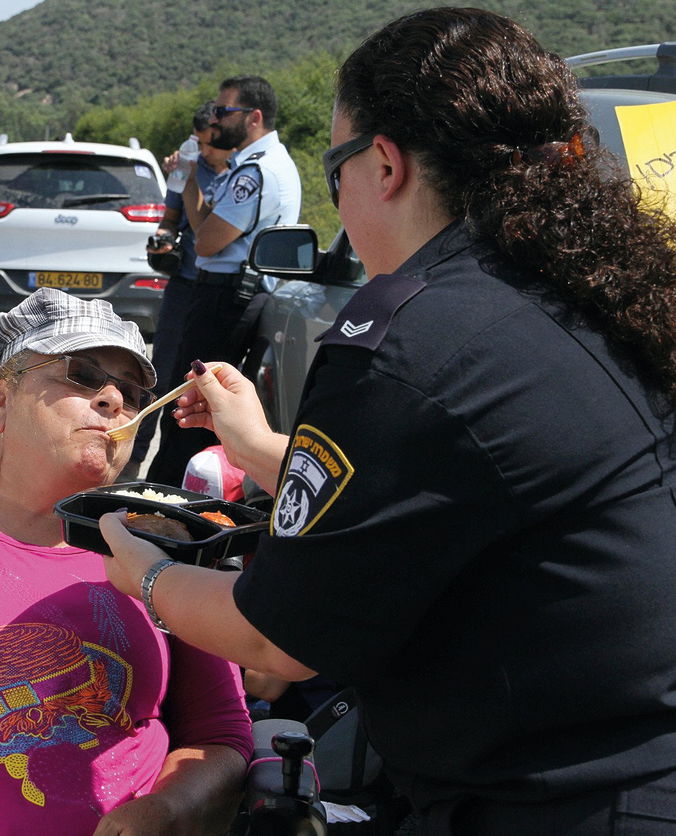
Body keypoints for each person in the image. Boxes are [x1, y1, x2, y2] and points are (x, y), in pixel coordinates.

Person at [98, 7, 676, 835]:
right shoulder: (578, 292)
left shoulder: (413, 338)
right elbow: (441, 487)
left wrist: (143, 570)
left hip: (557, 802)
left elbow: (274, 638)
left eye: (336, 172)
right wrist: (258, 445)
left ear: (386, 164)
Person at [0, 287, 251, 836]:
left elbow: (221, 735)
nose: (112, 400)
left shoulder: (168, 550)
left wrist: (168, 810)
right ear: (4, 402)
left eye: (129, 393)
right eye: (82, 374)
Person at [145, 75, 301, 487]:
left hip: (226, 295)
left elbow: (209, 242)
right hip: (224, 291)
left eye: (222, 111)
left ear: (253, 118)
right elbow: (204, 230)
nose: (214, 119)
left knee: (188, 409)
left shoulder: (257, 172)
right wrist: (194, 177)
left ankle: (165, 502)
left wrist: (195, 185)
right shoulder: (251, 167)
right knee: (192, 407)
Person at [122, 103, 231, 481]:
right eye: (197, 143)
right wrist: (163, 242)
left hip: (223, 289)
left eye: (208, 144)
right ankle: (131, 460)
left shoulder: (243, 175)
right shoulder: (187, 167)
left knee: (206, 382)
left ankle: (203, 470)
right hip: (185, 285)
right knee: (160, 375)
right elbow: (170, 221)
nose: (203, 152)